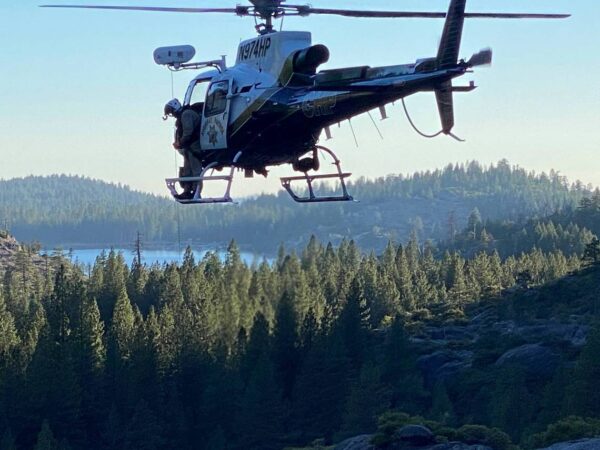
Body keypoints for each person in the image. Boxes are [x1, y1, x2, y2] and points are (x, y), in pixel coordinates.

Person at [163, 99, 203, 200]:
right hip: (189, 148)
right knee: (187, 170)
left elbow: (188, 132)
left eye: (171, 112)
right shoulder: (183, 116)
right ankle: (187, 191)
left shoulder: (186, 115)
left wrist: (180, 142)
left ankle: (195, 191)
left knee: (195, 170)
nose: (172, 114)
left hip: (194, 147)